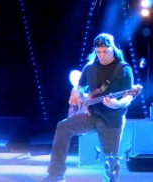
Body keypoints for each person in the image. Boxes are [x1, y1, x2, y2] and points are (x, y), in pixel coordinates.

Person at [42, 33, 137, 182]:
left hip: (112, 120)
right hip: (91, 115)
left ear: (113, 48)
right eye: (98, 52)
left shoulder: (123, 69)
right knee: (63, 127)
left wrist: (117, 104)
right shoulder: (90, 67)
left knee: (110, 161)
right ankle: (56, 175)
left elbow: (129, 96)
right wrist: (75, 92)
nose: (102, 56)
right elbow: (80, 86)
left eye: (106, 51)